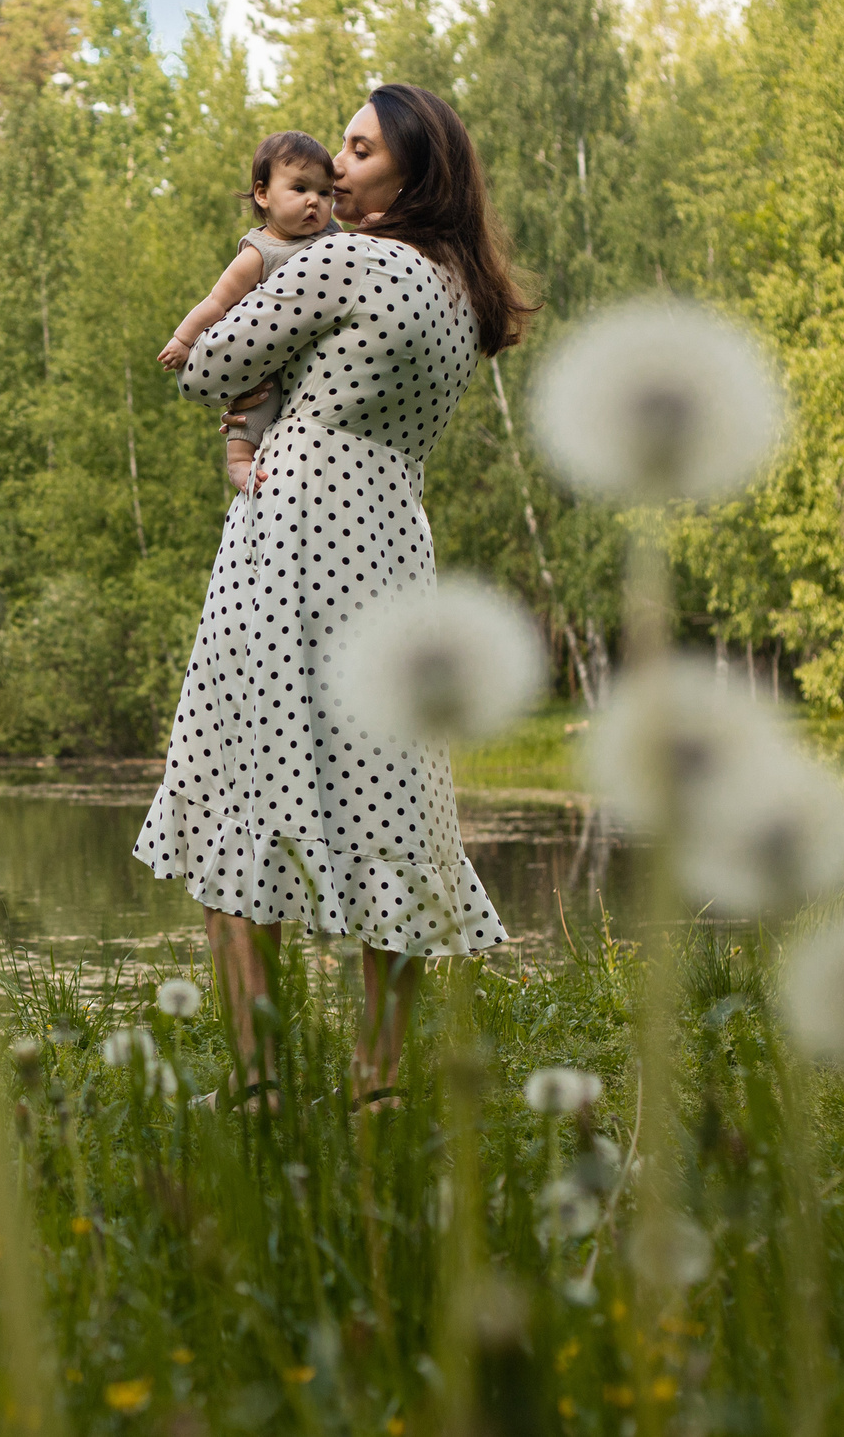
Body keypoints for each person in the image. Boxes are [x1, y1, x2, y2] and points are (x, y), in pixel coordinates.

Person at [134, 82, 536, 1113]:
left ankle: (260, 1083)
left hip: (293, 530)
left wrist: (244, 339)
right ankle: (378, 1084)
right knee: (389, 802)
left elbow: (205, 368)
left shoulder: (348, 260)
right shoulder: (458, 294)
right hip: (392, 542)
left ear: (411, 171)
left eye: (357, 151)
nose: (334, 169)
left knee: (239, 791)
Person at [157, 132, 337, 492]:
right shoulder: (259, 252)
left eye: (324, 192)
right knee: (256, 402)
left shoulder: (331, 238)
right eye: (300, 188)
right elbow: (216, 302)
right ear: (262, 195)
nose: (313, 201)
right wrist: (183, 339)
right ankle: (239, 461)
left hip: (308, 364)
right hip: (265, 357)